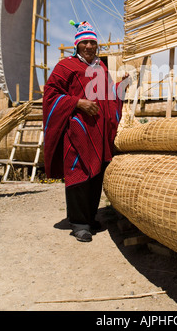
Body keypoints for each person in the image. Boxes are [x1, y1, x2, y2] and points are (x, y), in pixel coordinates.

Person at [43, 21, 129, 242]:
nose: (89, 46)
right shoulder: (66, 67)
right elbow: (51, 96)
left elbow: (109, 96)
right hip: (77, 131)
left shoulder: (101, 68)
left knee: (95, 175)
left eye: (92, 42)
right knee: (79, 173)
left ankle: (90, 219)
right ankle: (79, 223)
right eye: (84, 42)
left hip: (98, 132)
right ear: (77, 45)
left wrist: (123, 86)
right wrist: (78, 103)